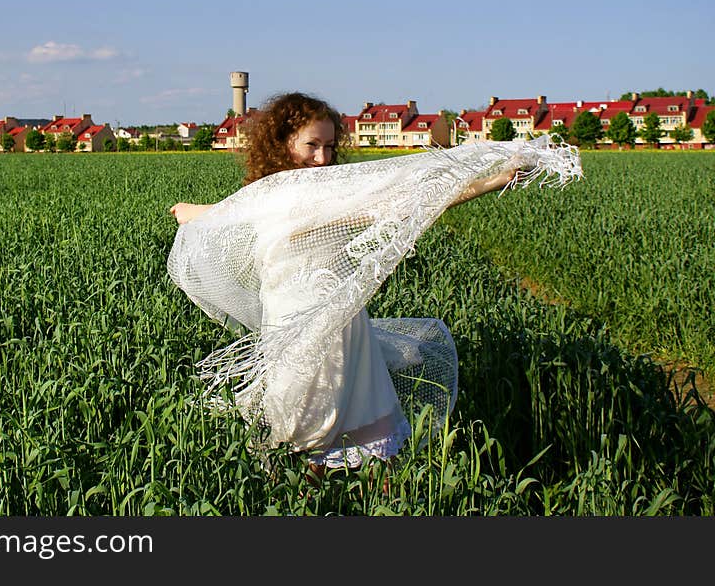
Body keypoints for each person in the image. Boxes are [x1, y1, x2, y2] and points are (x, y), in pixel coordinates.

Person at [167, 92, 580, 483]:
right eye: (312, 145)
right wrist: (192, 213)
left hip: (340, 320)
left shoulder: (329, 192)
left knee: (363, 423)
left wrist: (489, 182)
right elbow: (228, 215)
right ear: (282, 141)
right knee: (302, 423)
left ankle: (377, 496)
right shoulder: (267, 194)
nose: (323, 158)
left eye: (329, 146)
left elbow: (410, 197)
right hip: (292, 321)